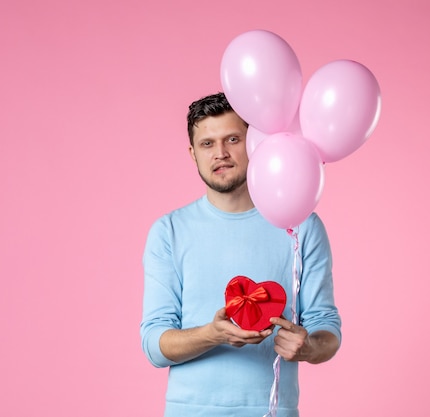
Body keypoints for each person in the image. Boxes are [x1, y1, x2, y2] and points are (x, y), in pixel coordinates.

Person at [140, 92, 342, 417]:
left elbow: (326, 325)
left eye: (232, 139)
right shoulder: (169, 232)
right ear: (193, 154)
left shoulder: (301, 225)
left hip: (273, 410)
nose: (220, 153)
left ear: (253, 144)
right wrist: (213, 334)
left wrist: (308, 346)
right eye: (207, 144)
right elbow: (154, 344)